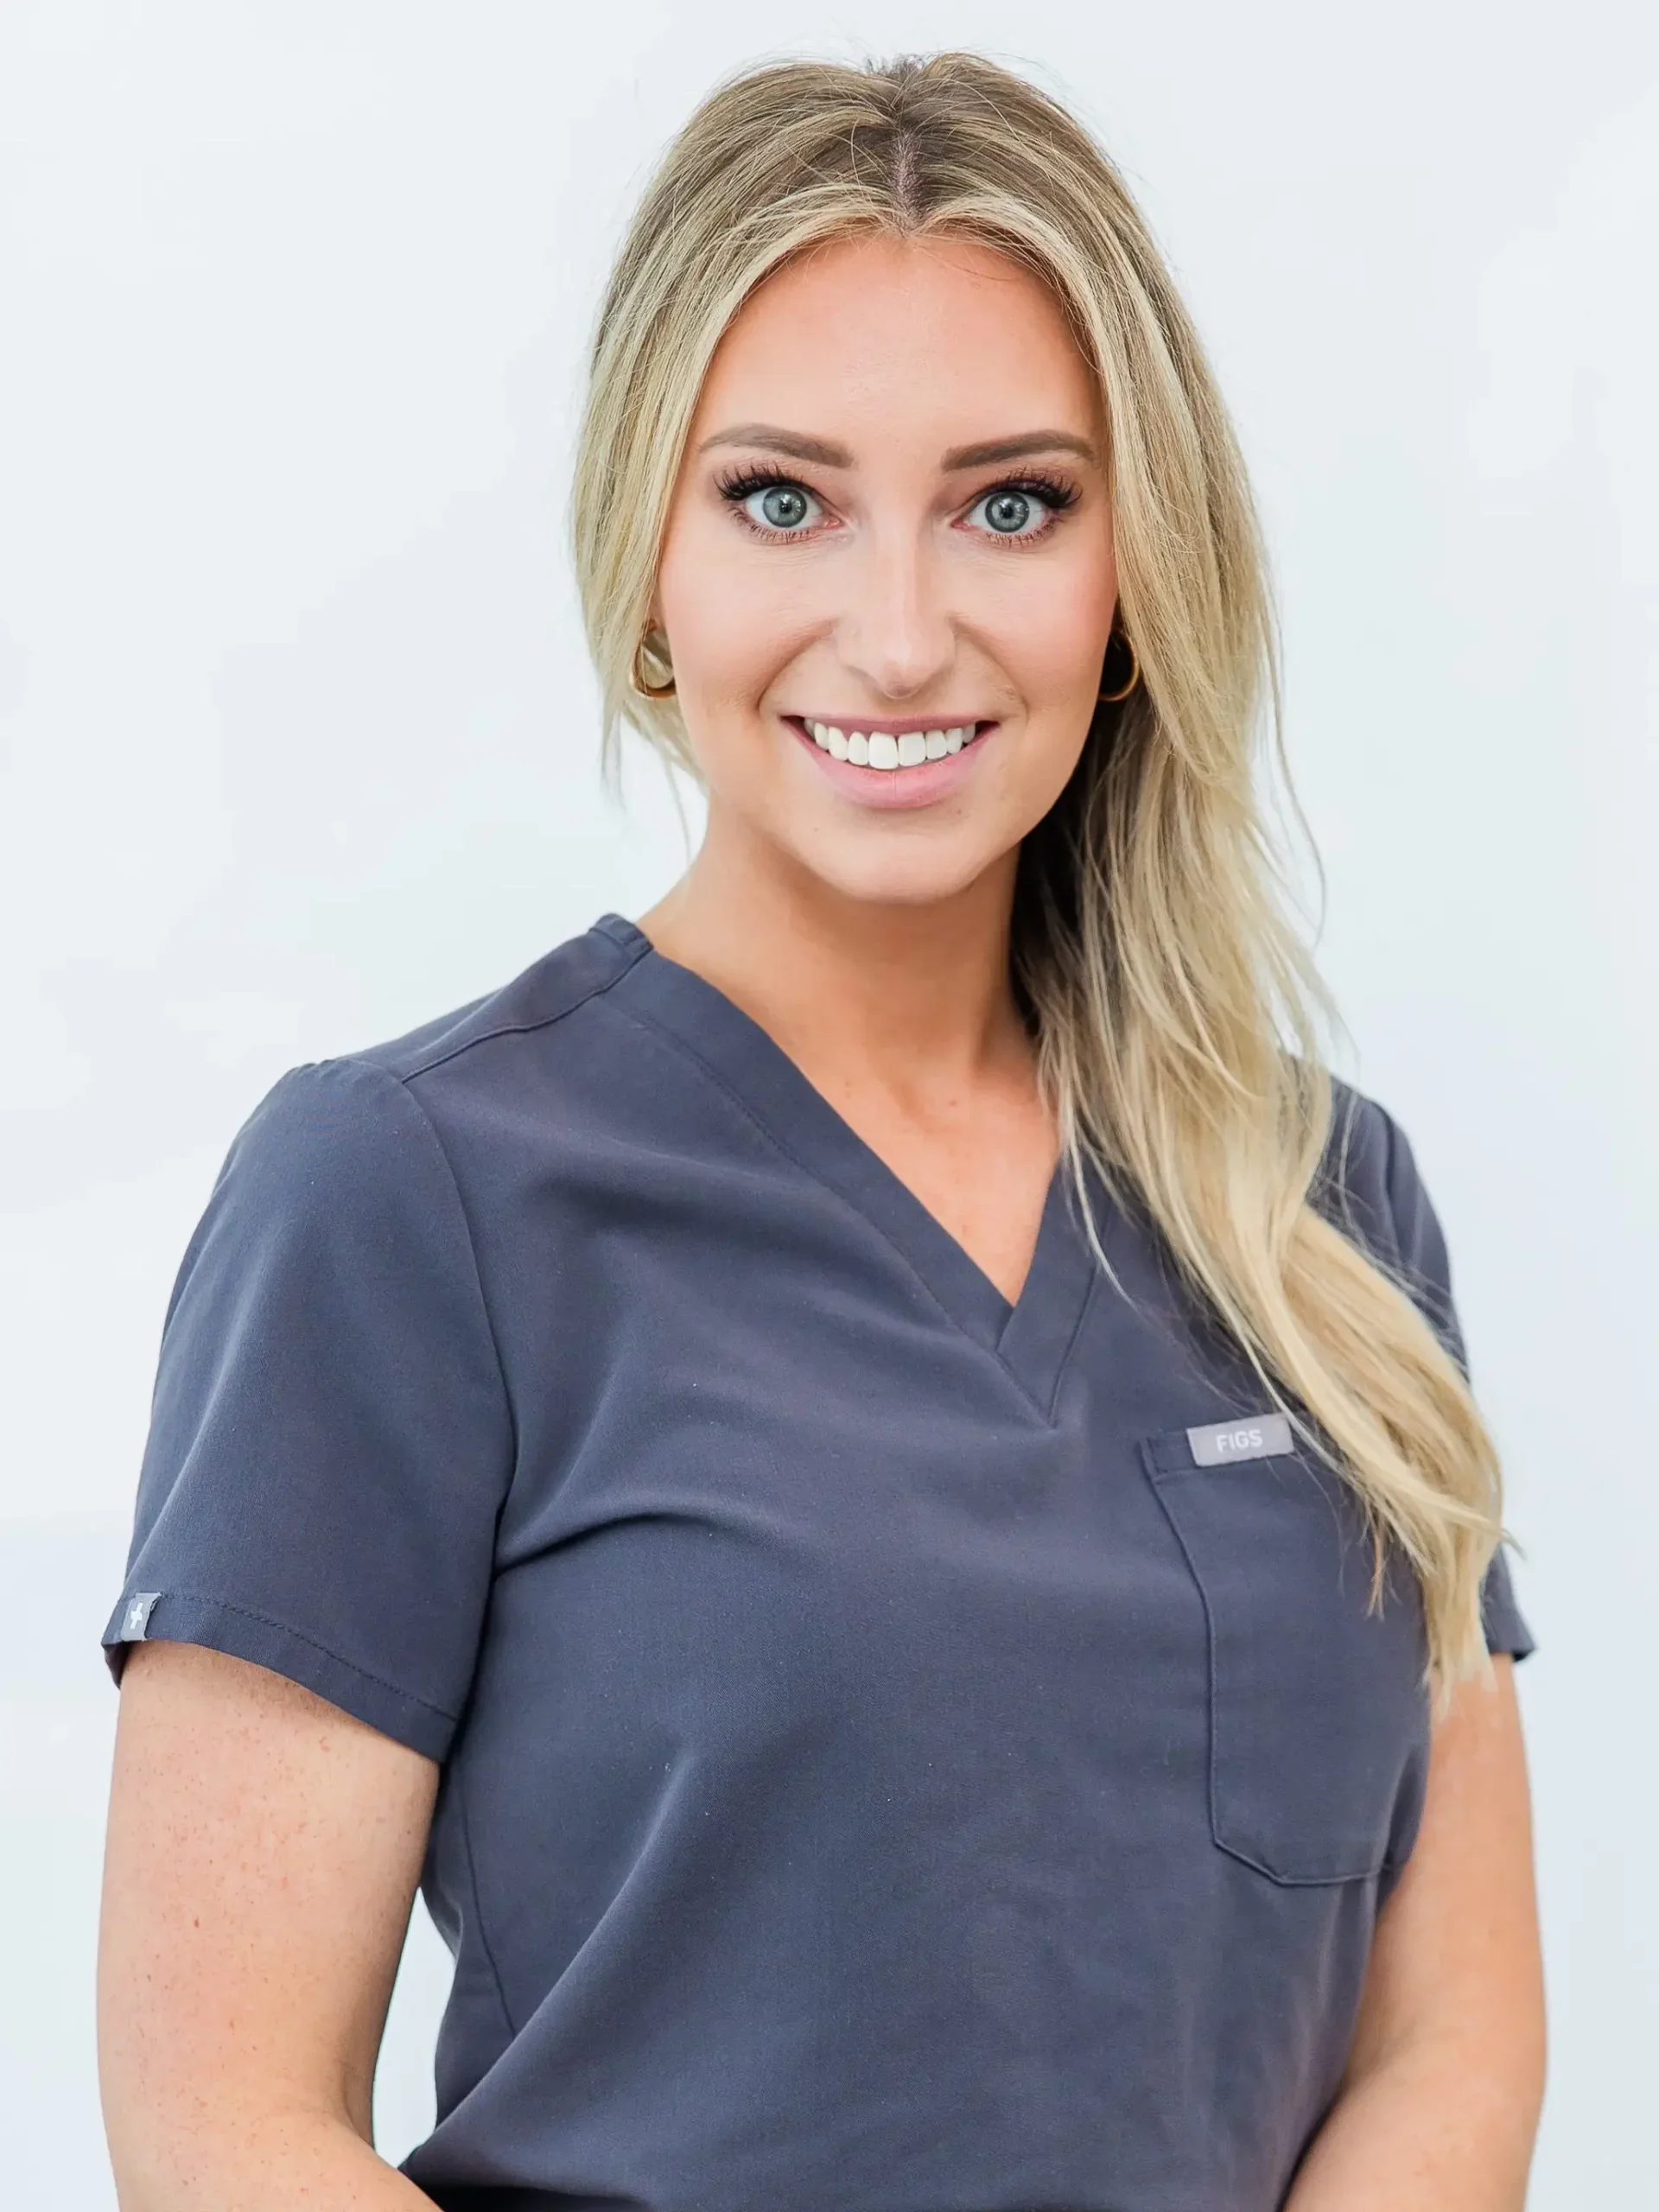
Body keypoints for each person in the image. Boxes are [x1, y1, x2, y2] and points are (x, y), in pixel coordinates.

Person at [96, 48, 1545, 2212]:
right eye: (781, 496)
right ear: (648, 557)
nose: (899, 628)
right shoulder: (406, 1197)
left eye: (1014, 501)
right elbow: (221, 2128)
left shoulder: (1324, 1205)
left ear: (1135, 569)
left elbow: (1452, 2036)